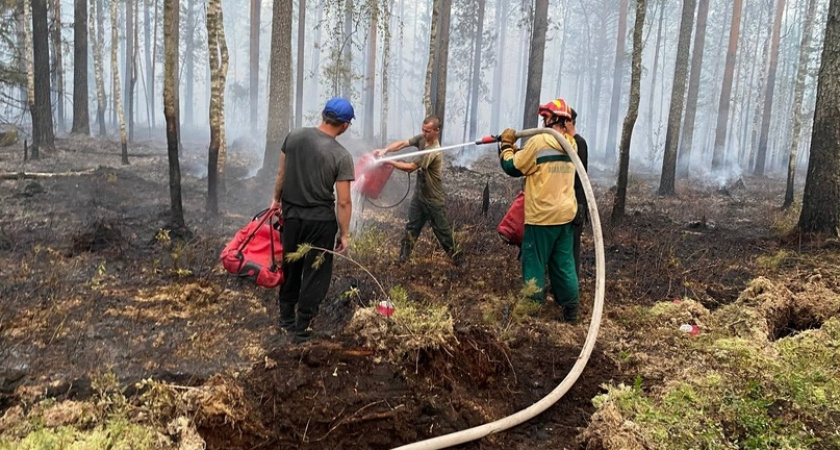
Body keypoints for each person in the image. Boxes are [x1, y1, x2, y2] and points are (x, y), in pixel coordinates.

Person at [270, 97, 356, 343]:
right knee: (315, 273)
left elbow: (281, 174)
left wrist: (276, 201)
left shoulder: (294, 137)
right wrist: (344, 233)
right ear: (345, 125)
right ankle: (302, 327)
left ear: (323, 114)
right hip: (320, 222)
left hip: (292, 216)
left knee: (291, 266)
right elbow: (343, 201)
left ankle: (286, 319)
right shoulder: (341, 155)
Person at [498, 98, 580, 323]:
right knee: (564, 265)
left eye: (546, 117)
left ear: (555, 119)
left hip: (541, 218)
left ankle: (531, 310)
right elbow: (535, 162)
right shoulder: (570, 144)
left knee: (533, 262)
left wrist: (506, 146)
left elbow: (512, 167)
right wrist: (518, 150)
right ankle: (571, 311)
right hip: (565, 216)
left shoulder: (539, 141)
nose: (543, 121)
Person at [373, 115, 464, 267]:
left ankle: (459, 260)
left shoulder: (433, 151)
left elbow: (411, 168)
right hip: (419, 195)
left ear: (437, 131)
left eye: (428, 131)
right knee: (412, 227)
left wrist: (388, 161)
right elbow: (403, 143)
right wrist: (386, 150)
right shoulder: (422, 139)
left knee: (443, 232)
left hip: (433, 198)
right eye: (423, 130)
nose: (424, 133)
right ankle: (403, 258)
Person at [566, 108, 588, 278]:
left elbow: (576, 175)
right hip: (567, 202)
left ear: (569, 122)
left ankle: (572, 282)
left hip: (576, 203)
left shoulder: (578, 143)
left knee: (572, 246)